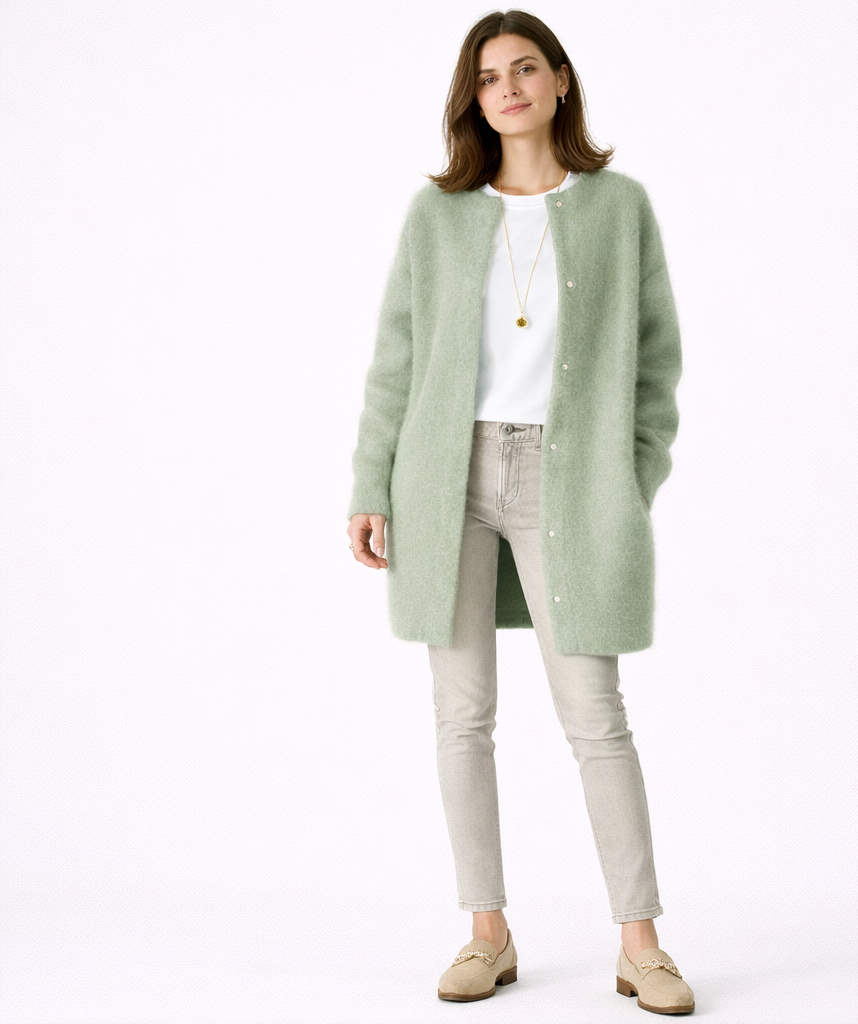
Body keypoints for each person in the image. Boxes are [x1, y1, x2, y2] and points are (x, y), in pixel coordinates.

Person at [346, 10, 693, 1014]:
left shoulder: (618, 207)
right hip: (443, 476)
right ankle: (486, 932)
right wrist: (371, 484)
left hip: (569, 477)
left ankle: (641, 944)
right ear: (474, 98)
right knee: (461, 713)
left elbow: (656, 364)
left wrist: (628, 477)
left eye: (524, 68)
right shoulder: (438, 215)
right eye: (488, 75)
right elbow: (397, 361)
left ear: (559, 81)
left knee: (595, 714)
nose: (507, 88)